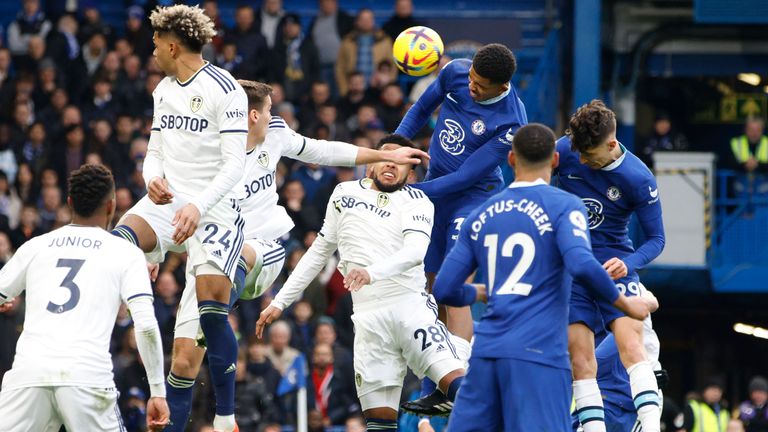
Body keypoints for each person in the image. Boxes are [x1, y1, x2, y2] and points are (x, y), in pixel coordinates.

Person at [159, 81, 428, 431]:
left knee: (233, 261)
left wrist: (385, 155)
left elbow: (325, 151)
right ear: (252, 115)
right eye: (270, 109)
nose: (275, 115)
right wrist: (155, 250)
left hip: (264, 245)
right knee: (182, 364)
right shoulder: (204, 150)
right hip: (208, 254)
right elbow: (173, 204)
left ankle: (225, 412)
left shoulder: (276, 133)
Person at [424, 123, 649, 429]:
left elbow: (445, 288)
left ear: (511, 160)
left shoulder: (480, 215)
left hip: (487, 352)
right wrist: (626, 305)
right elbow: (582, 264)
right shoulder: (565, 206)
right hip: (539, 353)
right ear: (555, 160)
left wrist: (477, 293)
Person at [256, 134, 466, 431]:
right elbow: (319, 251)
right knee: (379, 422)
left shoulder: (416, 200)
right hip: (368, 320)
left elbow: (415, 252)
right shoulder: (344, 194)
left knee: (459, 385)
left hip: (411, 309)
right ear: (369, 165)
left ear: (410, 172)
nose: (391, 165)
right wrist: (280, 301)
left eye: (399, 162)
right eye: (385, 158)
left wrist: (372, 272)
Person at [109, 6, 249, 432]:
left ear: (172, 45)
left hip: (216, 210)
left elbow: (234, 165)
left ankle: (226, 416)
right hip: (168, 202)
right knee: (116, 246)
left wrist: (198, 206)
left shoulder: (226, 89)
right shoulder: (164, 88)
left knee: (195, 342)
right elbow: (154, 150)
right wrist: (152, 180)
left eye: (154, 43)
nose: (151, 50)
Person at [395, 43, 527, 412]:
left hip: (472, 199)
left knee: (454, 288)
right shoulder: (455, 71)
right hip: (436, 190)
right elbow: (421, 108)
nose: (471, 86)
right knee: (433, 289)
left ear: (501, 87)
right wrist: (395, 146)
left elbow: (466, 177)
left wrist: (407, 191)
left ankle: (462, 383)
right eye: (471, 78)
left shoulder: (511, 121)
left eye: (480, 84)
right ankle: (441, 385)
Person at [0, 164, 169, 431]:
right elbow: (146, 325)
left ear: (69, 203)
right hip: (86, 377)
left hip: (28, 375)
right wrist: (158, 391)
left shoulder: (36, 246)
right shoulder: (126, 253)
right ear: (111, 206)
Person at [556, 100, 666, 432]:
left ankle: (649, 427)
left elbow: (656, 239)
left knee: (632, 346)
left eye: (590, 155)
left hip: (615, 265)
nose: (584, 161)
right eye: (580, 155)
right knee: (579, 360)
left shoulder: (638, 177)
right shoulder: (567, 149)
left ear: (612, 144)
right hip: (575, 270)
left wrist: (628, 262)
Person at [572, 288, 667, 432]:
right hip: (607, 391)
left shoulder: (626, 284)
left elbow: (652, 302)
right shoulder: (577, 287)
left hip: (630, 392)